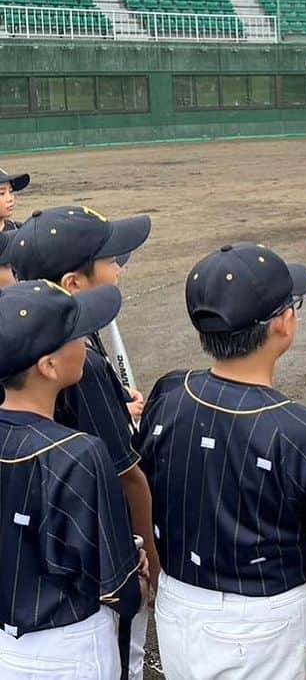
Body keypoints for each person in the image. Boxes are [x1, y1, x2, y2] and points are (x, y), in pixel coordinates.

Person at [136, 243, 306, 680]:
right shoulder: (302, 430)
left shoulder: (170, 393)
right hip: (266, 620)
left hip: (178, 603)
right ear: (283, 323)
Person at [9, 205, 159, 679]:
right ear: (73, 282)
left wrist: (120, 410)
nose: (118, 269)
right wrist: (150, 565)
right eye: (112, 260)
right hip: (77, 612)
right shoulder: (83, 371)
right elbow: (127, 477)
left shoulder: (12, 332)